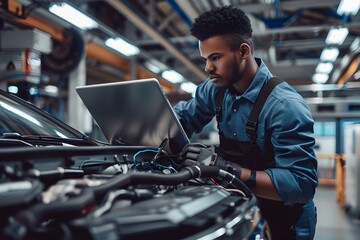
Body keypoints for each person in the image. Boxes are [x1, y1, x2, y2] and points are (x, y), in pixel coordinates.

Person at [174, 6, 318, 240]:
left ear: (243, 51)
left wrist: (223, 168)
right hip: (244, 206)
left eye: (215, 58)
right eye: (205, 59)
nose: (208, 68)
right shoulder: (215, 90)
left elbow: (301, 184)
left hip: (286, 219)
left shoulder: (285, 106)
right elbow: (181, 119)